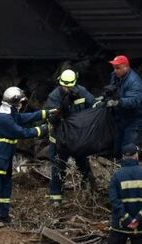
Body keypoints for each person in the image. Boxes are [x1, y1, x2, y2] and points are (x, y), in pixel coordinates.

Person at [0, 86, 53, 225]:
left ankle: (3, 215)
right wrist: (44, 129)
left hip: (5, 161)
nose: (22, 104)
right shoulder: (4, 119)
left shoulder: (10, 114)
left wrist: (46, 113)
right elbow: (22, 132)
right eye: (20, 102)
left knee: (5, 189)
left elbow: (24, 117)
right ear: (14, 103)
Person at [44, 68, 96, 206]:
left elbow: (93, 105)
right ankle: (56, 197)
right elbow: (49, 116)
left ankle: (89, 191)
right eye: (64, 86)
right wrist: (56, 115)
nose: (67, 89)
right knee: (58, 167)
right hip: (60, 139)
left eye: (69, 86)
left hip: (78, 138)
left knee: (83, 165)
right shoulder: (54, 96)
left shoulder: (82, 92)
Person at [108, 144, 142, 244]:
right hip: (141, 225)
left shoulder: (116, 175)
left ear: (123, 157)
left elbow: (114, 201)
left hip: (120, 226)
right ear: (136, 156)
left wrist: (127, 219)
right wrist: (139, 218)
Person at [106, 55, 142, 157]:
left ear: (126, 67)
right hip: (122, 117)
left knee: (128, 148)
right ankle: (118, 162)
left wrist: (117, 102)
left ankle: (131, 164)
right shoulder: (115, 76)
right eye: (114, 68)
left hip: (135, 119)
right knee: (117, 147)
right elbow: (112, 89)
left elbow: (133, 101)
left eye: (118, 68)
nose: (115, 70)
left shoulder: (134, 82)